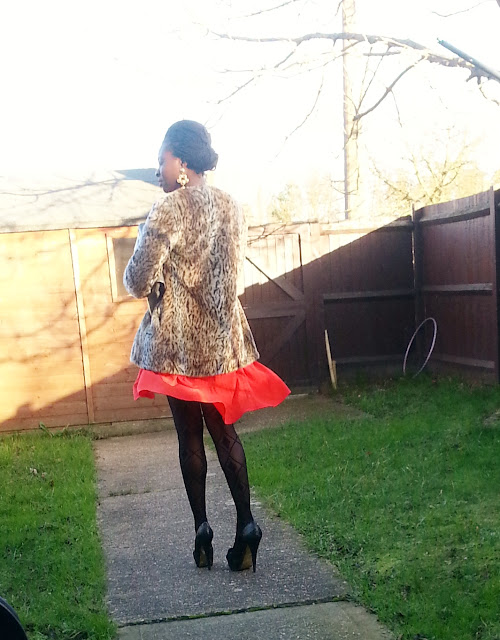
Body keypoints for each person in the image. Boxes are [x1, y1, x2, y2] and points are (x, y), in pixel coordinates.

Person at [123, 120, 290, 573]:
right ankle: (247, 524)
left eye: (162, 160)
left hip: (177, 348)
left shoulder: (167, 208)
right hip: (220, 342)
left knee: (189, 437)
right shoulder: (232, 206)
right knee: (225, 435)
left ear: (181, 162)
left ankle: (202, 530)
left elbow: (137, 280)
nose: (158, 169)